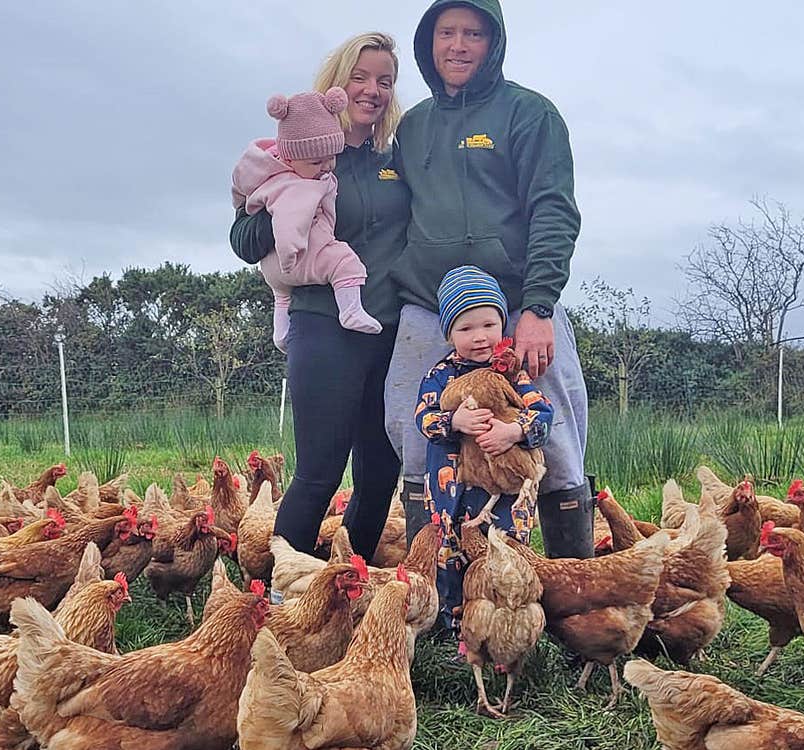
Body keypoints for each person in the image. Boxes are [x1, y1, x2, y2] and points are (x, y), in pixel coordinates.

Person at [385, 0, 592, 559]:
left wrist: (540, 307)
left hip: (517, 310)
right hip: (428, 309)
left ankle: (576, 588)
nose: (457, 45)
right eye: (445, 32)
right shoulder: (413, 126)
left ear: (493, 41)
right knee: (414, 429)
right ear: (428, 42)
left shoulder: (529, 114)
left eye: (472, 33)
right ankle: (428, 590)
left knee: (557, 436)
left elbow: (554, 209)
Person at [229, 33, 410, 577]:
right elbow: (241, 239)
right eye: (361, 77)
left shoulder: (394, 159)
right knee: (319, 470)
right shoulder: (293, 152)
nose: (372, 90)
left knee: (380, 473)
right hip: (323, 325)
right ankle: (274, 593)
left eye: (384, 81)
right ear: (337, 82)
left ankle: (339, 588)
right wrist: (277, 215)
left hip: (388, 329)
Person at [416, 265, 552, 630]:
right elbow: (423, 418)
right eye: (465, 328)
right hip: (451, 495)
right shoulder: (438, 375)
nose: (479, 337)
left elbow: (543, 414)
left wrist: (513, 431)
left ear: (502, 326)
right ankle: (454, 628)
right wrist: (453, 422)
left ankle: (506, 626)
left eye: (489, 325)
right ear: (449, 334)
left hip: (505, 495)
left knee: (504, 556)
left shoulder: (513, 375)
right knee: (450, 558)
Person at [231, 87, 382, 352]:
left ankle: (280, 332)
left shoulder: (274, 173)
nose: (326, 167)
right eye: (317, 162)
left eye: (331, 159)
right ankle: (351, 310)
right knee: (344, 260)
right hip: (298, 264)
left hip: (274, 272)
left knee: (282, 295)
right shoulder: (298, 186)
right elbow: (289, 224)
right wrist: (290, 254)